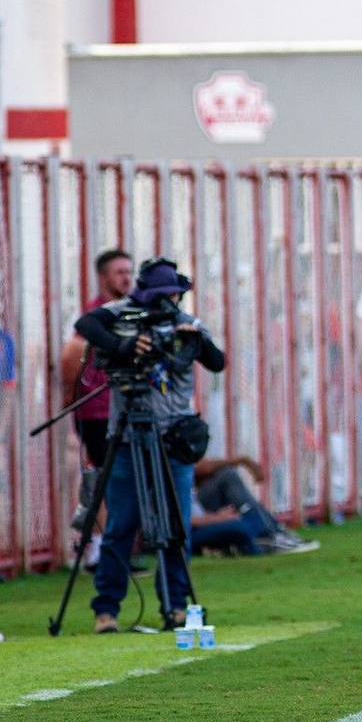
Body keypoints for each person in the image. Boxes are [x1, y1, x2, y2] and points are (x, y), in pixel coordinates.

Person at [74, 257, 226, 633]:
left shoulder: (186, 323)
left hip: (174, 437)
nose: (164, 303)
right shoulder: (123, 314)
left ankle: (176, 607)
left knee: (177, 526)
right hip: (128, 437)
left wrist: (195, 340)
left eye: (169, 296)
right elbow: (86, 324)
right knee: (121, 525)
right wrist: (123, 344)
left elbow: (217, 362)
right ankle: (106, 610)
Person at [60, 250, 134, 564]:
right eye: (119, 272)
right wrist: (70, 397)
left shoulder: (129, 311)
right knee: (106, 477)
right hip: (97, 412)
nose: (126, 278)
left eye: (129, 272)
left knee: (121, 477)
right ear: (103, 277)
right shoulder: (96, 315)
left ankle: (116, 546)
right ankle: (102, 548)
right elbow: (71, 353)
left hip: (122, 410)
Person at [189, 456, 319, 556]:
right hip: (194, 527)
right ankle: (271, 534)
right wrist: (219, 518)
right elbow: (199, 468)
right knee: (227, 476)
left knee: (227, 478)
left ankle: (275, 531)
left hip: (201, 515)